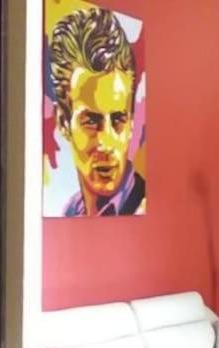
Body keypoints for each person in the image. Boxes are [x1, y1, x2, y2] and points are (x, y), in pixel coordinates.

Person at [49, 7, 145, 217]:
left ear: (131, 122)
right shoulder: (69, 211)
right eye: (91, 121)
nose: (106, 143)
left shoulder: (142, 206)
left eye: (118, 120)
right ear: (63, 122)